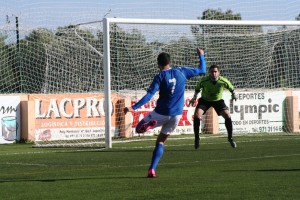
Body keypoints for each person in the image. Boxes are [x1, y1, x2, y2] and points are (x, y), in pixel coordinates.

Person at [124, 48, 206, 178]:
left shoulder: (160, 76)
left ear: (158, 64)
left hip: (161, 112)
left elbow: (150, 95)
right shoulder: (182, 71)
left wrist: (134, 107)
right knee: (161, 141)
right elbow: (202, 70)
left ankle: (151, 124)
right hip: (177, 115)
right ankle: (152, 169)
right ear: (170, 62)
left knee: (139, 129)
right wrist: (201, 55)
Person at [189, 64, 237, 150]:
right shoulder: (204, 80)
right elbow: (197, 89)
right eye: (212, 72)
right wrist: (194, 97)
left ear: (218, 73)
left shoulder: (223, 81)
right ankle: (196, 138)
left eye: (215, 72)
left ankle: (230, 137)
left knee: (227, 115)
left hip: (218, 101)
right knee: (196, 115)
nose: (214, 73)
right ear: (209, 73)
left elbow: (231, 88)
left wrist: (233, 95)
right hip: (205, 100)